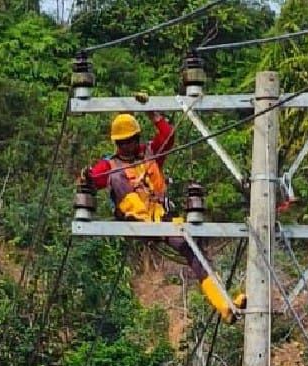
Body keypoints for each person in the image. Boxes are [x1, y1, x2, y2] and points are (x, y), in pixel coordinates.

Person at [81, 113, 241, 322]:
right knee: (117, 177)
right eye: (123, 143)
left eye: (131, 141)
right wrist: (88, 176)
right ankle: (141, 220)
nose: (128, 146)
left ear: (137, 138)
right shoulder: (110, 166)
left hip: (162, 217)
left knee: (192, 250)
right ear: (117, 144)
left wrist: (154, 116)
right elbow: (93, 177)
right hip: (134, 220)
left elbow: (168, 136)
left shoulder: (151, 153)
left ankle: (224, 305)